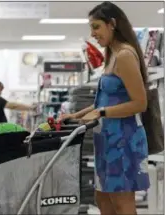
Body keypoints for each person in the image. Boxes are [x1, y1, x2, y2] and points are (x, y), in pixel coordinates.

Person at [60, 2, 149, 215]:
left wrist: (101, 113)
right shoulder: (112, 55)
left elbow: (140, 103)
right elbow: (106, 100)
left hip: (123, 140)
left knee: (121, 202)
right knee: (103, 199)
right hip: (107, 139)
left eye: (96, 27)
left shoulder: (125, 55)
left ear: (112, 24)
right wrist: (77, 114)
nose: (93, 34)